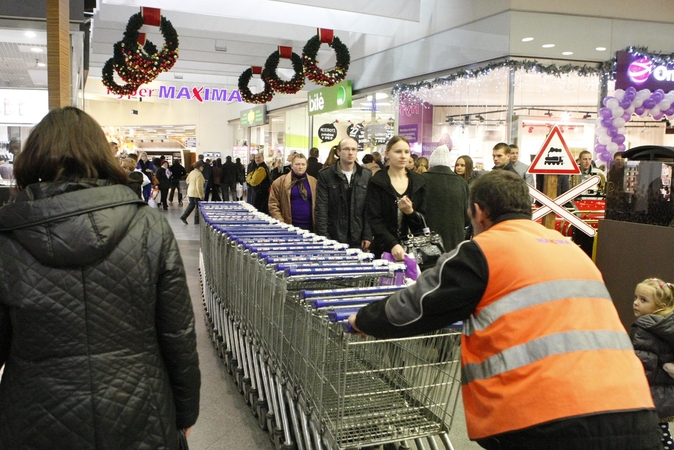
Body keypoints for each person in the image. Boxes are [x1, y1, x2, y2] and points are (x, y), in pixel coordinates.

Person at [350, 169, 660, 450]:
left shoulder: (482, 252)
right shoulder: (570, 250)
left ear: (479, 213)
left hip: (550, 420)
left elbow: (417, 306)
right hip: (634, 411)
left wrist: (363, 319)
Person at [0, 107, 201, 449]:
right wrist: (185, 414)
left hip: (35, 414)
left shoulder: (7, 235)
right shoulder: (147, 226)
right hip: (140, 406)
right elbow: (177, 332)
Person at [365, 135, 427, 261]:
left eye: (406, 152)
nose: (403, 156)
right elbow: (374, 219)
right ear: (387, 153)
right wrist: (392, 244)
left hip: (413, 250)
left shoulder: (419, 182)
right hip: (383, 250)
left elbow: (424, 220)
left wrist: (410, 212)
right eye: (398, 151)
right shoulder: (377, 181)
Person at [631, 277, 674, 450]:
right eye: (635, 297)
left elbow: (642, 361)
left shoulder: (645, 327)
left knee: (652, 435)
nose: (636, 303)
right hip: (664, 393)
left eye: (643, 300)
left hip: (648, 392)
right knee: (660, 433)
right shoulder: (667, 326)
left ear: (660, 306)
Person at [315, 137, 372, 249]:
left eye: (353, 149)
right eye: (346, 149)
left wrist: (368, 235)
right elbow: (321, 208)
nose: (350, 153)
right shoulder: (325, 175)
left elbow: (369, 208)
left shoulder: (366, 175)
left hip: (358, 235)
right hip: (333, 235)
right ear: (338, 152)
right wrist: (323, 236)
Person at [421, 144, 469, 252]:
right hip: (455, 241)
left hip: (428, 242)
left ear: (432, 162)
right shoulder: (461, 183)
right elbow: (467, 217)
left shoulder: (421, 180)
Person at [268, 153, 317, 231]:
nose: (300, 167)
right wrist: (281, 222)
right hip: (288, 227)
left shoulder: (314, 182)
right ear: (291, 166)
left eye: (303, 164)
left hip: (310, 228)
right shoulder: (280, 182)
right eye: (297, 164)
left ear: (306, 166)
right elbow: (273, 204)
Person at [180, 160, 205, 225]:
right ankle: (196, 221)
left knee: (191, 205)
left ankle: (184, 216)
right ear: (199, 167)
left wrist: (191, 184)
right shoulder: (199, 174)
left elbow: (187, 180)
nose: (203, 168)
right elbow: (199, 186)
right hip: (196, 193)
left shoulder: (192, 172)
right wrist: (201, 195)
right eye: (202, 166)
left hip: (190, 191)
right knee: (198, 207)